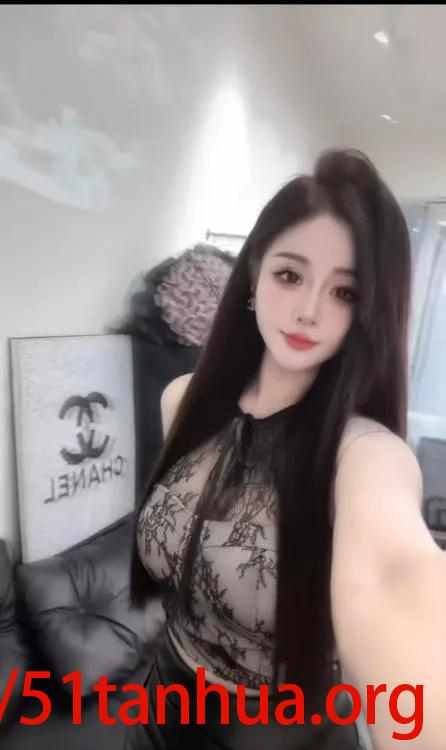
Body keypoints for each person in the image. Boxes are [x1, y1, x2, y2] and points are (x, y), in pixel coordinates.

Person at [124, 148, 446, 749]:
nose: (308, 312)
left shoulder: (364, 456)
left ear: (369, 312)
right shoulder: (181, 401)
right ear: (253, 275)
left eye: (344, 292)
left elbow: (397, 579)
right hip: (159, 709)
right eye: (290, 276)